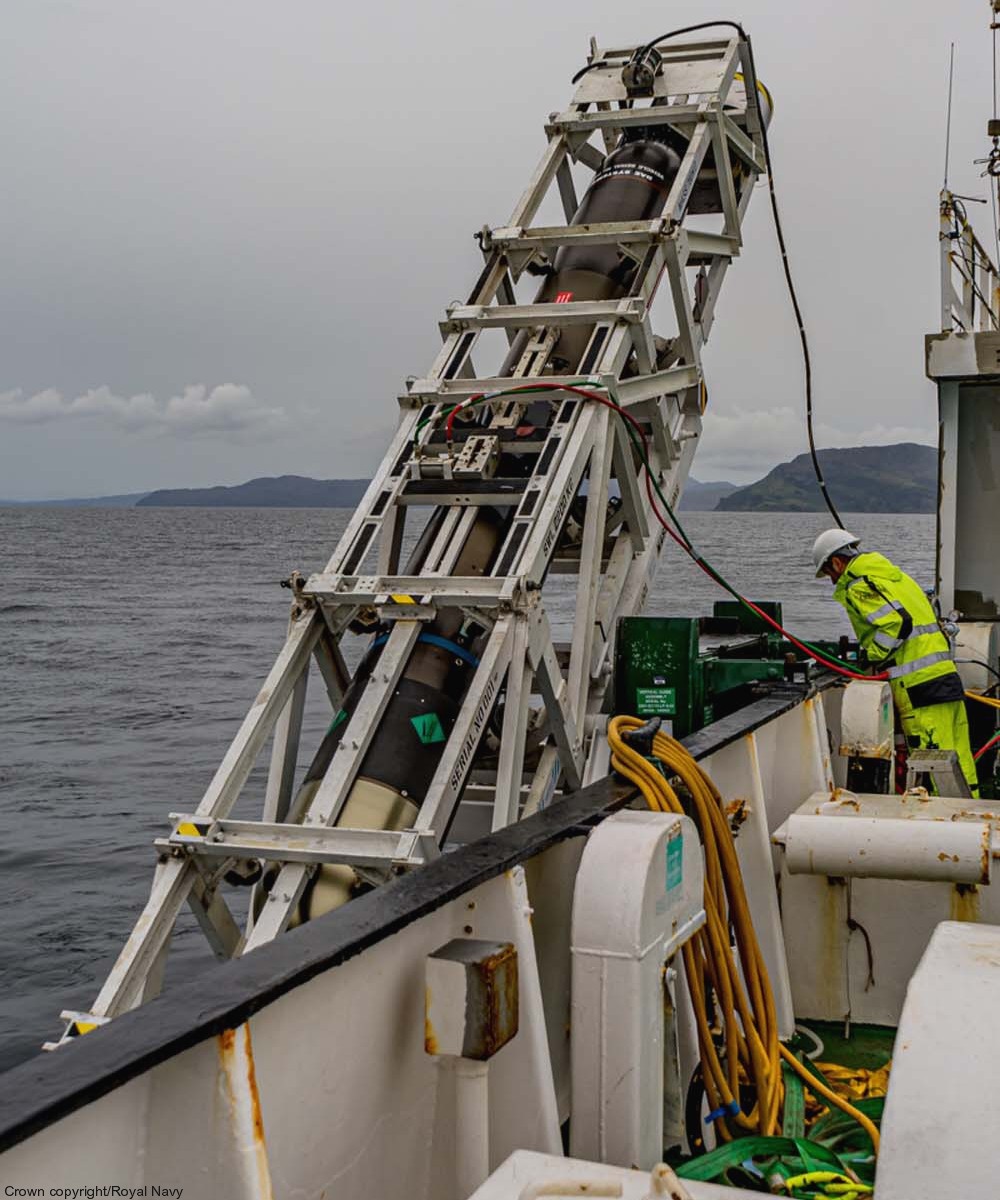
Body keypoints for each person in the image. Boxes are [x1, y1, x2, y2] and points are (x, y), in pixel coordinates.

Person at [812, 528, 979, 796]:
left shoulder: (859, 584)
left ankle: (947, 826)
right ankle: (973, 814)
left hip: (919, 687)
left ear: (837, 562)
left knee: (933, 763)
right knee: (959, 757)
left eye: (830, 573)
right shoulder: (894, 576)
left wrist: (875, 655)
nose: (833, 581)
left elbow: (896, 625)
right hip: (945, 676)